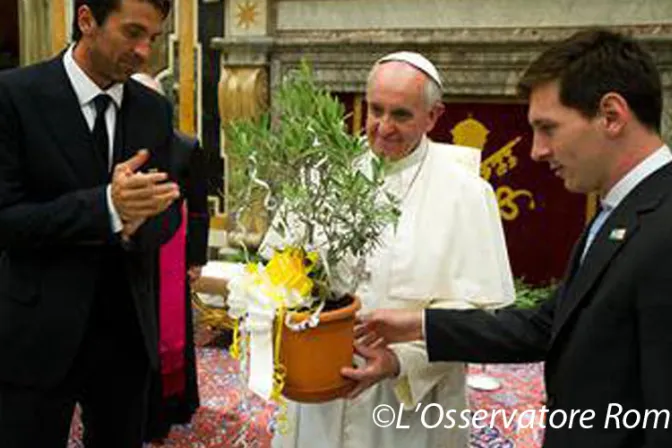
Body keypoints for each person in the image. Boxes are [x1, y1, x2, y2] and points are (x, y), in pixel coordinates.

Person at [359, 29, 672, 448]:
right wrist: (419, 325)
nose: (537, 151)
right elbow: (547, 324)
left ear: (612, 116)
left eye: (547, 128)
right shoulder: (623, 210)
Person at [270, 52, 515, 448]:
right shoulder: (325, 173)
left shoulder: (467, 194)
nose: (383, 128)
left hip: (409, 401)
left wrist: (401, 362)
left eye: (401, 115)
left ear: (434, 116)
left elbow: (478, 318)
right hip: (321, 385)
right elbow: (280, 269)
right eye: (375, 110)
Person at [0, 0, 180, 447]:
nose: (144, 51)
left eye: (153, 38)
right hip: (37, 335)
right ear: (86, 20)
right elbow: (6, 219)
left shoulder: (153, 111)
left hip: (126, 336)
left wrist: (138, 223)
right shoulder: (13, 95)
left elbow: (169, 210)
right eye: (132, 33)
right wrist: (107, 207)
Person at [131, 72, 210, 442]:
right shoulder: (116, 145)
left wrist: (195, 259)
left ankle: (168, 408)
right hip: (126, 254)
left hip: (169, 258)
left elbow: (197, 210)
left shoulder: (185, 145)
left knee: (166, 331)